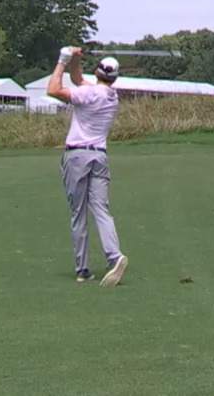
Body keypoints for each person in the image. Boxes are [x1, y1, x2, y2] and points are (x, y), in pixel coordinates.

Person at [47, 46, 129, 287]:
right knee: (102, 210)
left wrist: (62, 60)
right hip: (100, 157)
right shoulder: (111, 97)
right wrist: (75, 59)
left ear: (98, 72)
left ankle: (82, 269)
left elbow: (53, 89)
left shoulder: (89, 95)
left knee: (78, 213)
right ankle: (114, 256)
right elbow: (77, 79)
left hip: (77, 156)